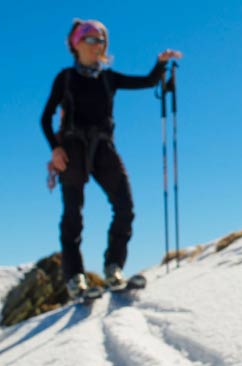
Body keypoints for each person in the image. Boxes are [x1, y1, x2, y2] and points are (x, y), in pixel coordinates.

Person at [41, 19, 182, 299]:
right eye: (91, 39)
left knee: (125, 205)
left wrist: (161, 63)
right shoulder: (65, 78)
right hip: (72, 148)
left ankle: (113, 267)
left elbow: (147, 81)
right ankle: (75, 278)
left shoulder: (109, 78)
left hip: (103, 147)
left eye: (101, 40)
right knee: (73, 215)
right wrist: (55, 149)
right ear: (76, 43)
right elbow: (45, 118)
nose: (97, 45)